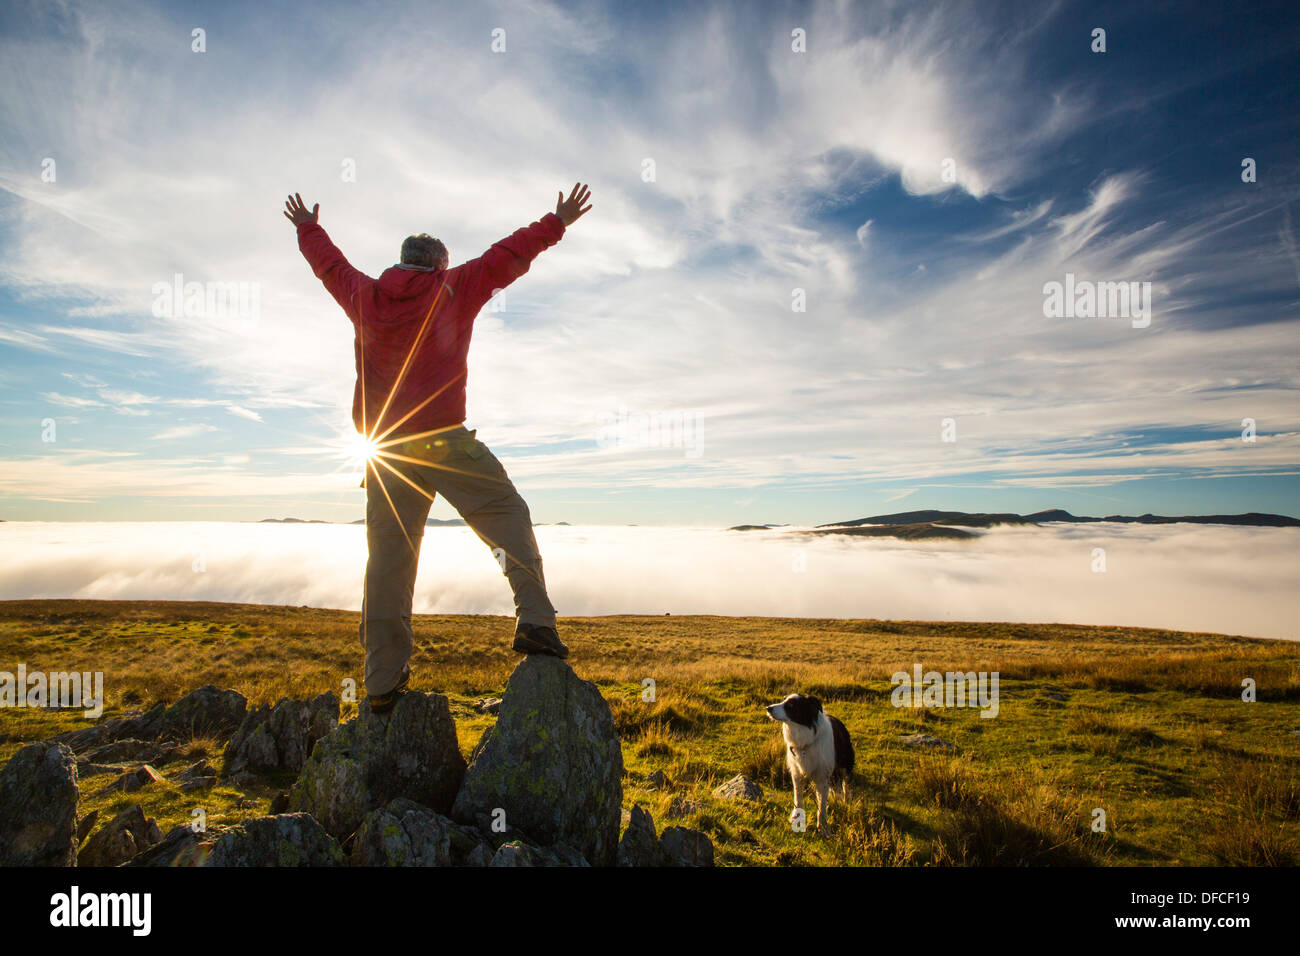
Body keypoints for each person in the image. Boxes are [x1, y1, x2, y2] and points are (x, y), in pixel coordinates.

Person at [284, 184, 593, 712]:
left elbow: (329, 267)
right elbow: (507, 255)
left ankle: (381, 681)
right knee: (507, 517)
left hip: (387, 455)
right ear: (439, 264)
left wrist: (307, 229)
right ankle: (537, 622)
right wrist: (557, 221)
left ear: (402, 262)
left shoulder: (365, 295)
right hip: (446, 442)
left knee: (388, 564)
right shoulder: (455, 287)